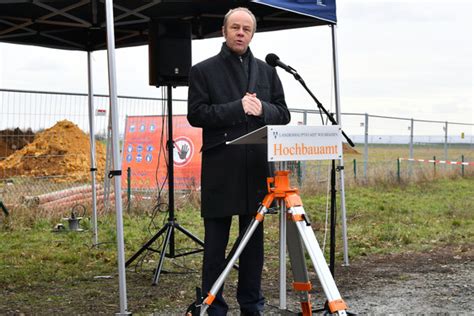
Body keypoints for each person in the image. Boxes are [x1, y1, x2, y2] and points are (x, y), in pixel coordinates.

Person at [187, 7, 291, 316]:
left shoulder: (267, 70)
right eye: (235, 27)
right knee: (216, 245)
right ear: (224, 30)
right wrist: (237, 108)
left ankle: (251, 304)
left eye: (246, 28)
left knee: (253, 247)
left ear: (253, 34)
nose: (241, 32)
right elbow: (196, 114)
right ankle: (214, 306)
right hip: (222, 167)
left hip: (257, 168)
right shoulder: (203, 70)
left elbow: (283, 113)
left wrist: (262, 111)